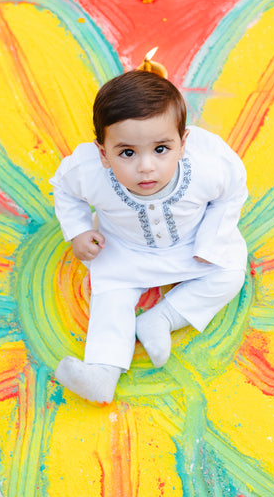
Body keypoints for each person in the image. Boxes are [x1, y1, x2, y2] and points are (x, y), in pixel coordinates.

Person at [49, 70, 248, 403]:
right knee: (110, 297)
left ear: (183, 144)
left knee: (230, 274)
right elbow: (65, 191)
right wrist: (79, 229)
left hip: (191, 245)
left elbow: (232, 193)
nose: (146, 167)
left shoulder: (209, 166)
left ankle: (162, 319)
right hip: (123, 250)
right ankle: (102, 372)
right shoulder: (87, 172)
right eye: (127, 153)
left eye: (160, 149)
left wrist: (211, 241)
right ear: (103, 153)